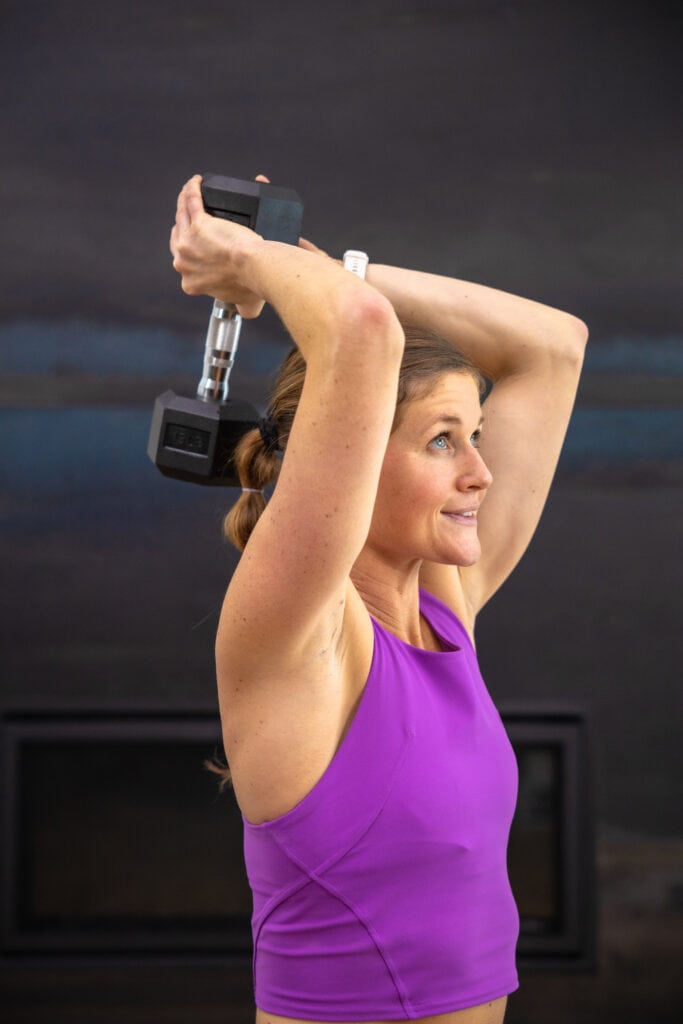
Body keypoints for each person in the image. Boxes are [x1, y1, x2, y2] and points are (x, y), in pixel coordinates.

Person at [170, 174, 588, 1024]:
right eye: (441, 440)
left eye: (474, 433)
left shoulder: (444, 607)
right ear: (354, 457)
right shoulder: (300, 635)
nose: (480, 471)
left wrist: (332, 267)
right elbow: (359, 336)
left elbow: (553, 347)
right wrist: (253, 261)